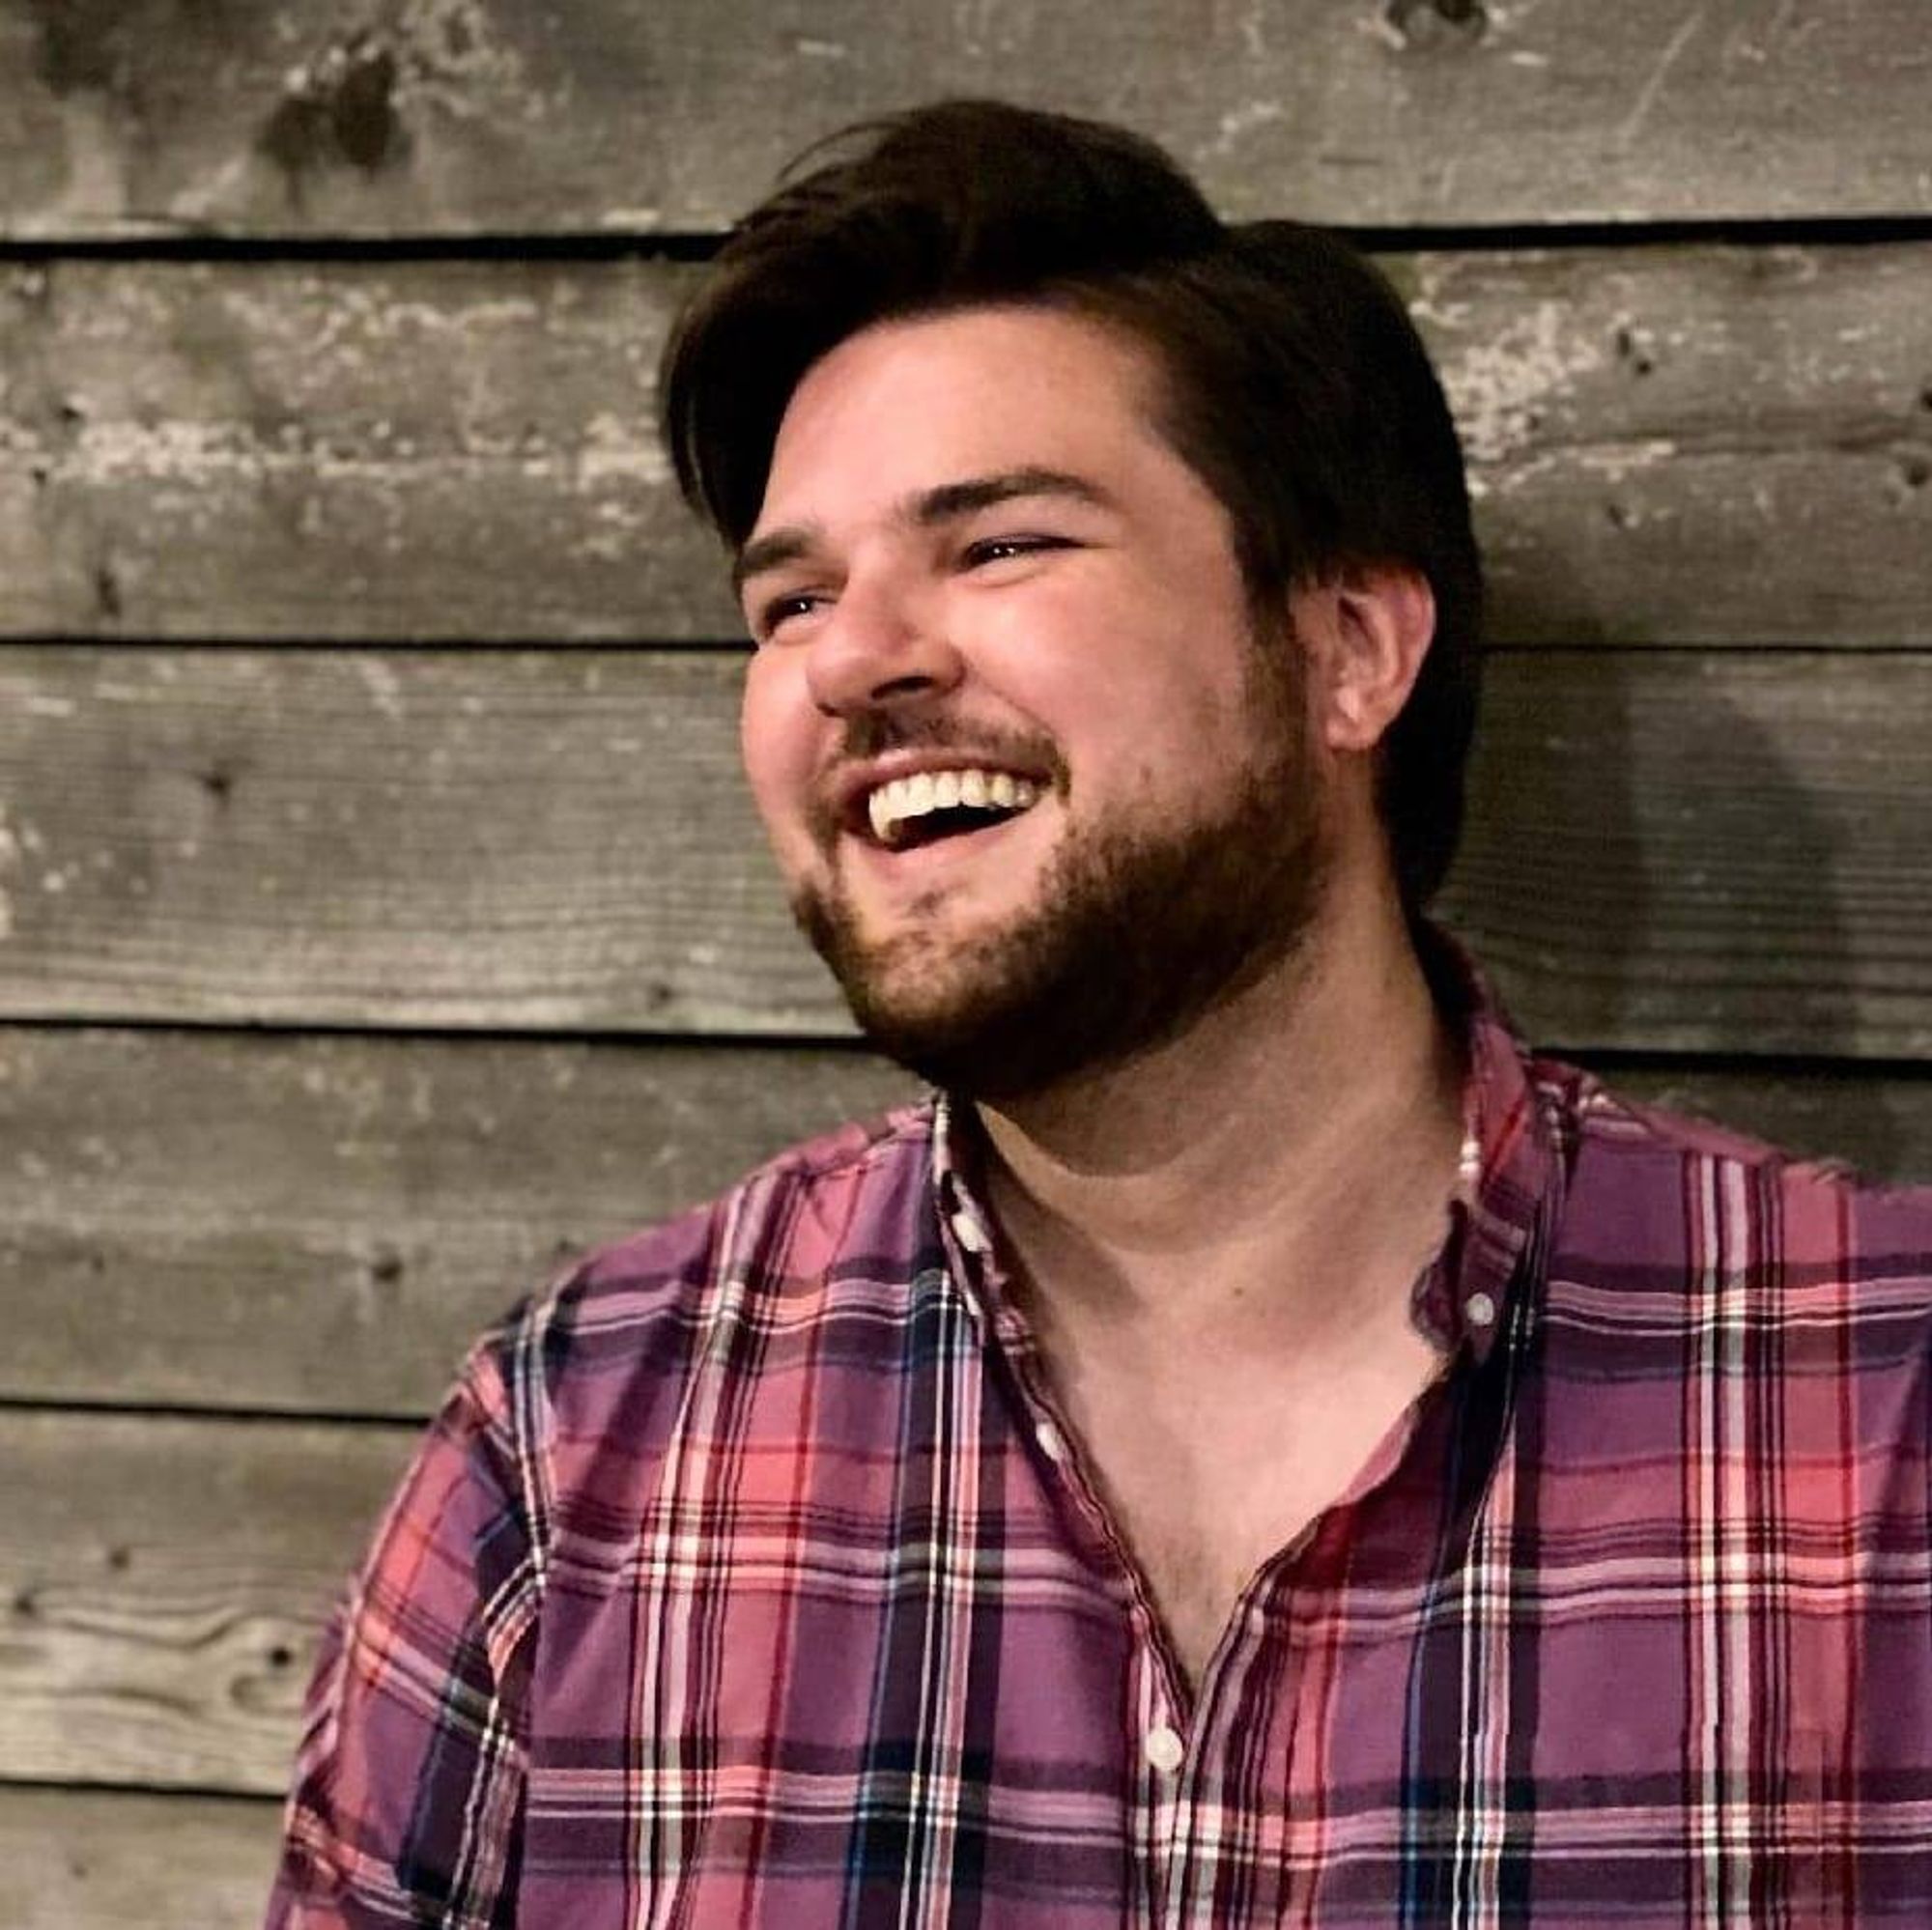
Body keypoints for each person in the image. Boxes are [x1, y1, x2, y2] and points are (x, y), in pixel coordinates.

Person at [267, 100, 1932, 1925]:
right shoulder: (577, 1456)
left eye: (997, 548)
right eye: (791, 596)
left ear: (1349, 649)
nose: (851, 658)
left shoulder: (1872, 1405)